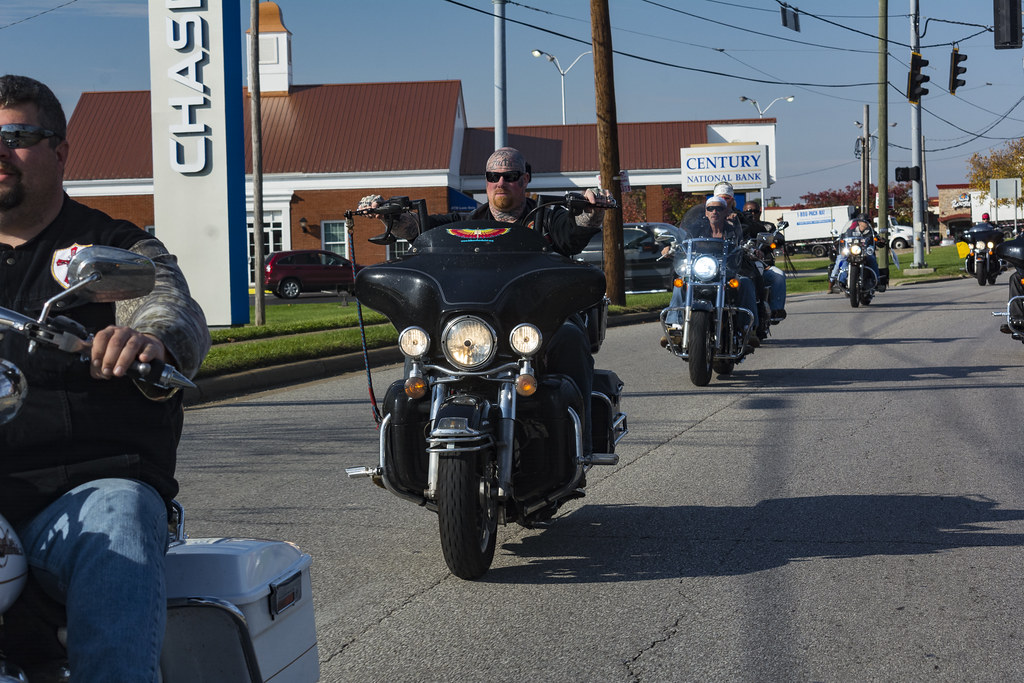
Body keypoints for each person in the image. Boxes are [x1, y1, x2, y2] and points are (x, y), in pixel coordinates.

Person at [0, 74, 210, 680]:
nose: (0, 152)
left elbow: (174, 313)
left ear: (59, 152)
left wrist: (151, 339)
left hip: (84, 496)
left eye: (16, 136)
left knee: (120, 517)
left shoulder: (116, 248)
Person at [358, 146, 612, 456]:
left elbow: (572, 232)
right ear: (486, 181)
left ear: (526, 179)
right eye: (494, 176)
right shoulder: (464, 223)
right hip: (477, 319)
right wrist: (391, 214)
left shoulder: (546, 218)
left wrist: (592, 210)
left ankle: (580, 442)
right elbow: (420, 231)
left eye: (511, 176)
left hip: (537, 319)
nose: (501, 182)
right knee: (418, 345)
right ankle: (405, 450)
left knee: (571, 337)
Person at [662, 195, 759, 345]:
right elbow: (683, 244)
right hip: (702, 272)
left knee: (745, 282)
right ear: (706, 212)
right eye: (710, 208)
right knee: (680, 283)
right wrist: (671, 248)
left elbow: (746, 242)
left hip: (727, 271)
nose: (714, 211)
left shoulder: (735, 229)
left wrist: (752, 250)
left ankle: (748, 328)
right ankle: (675, 325)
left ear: (726, 212)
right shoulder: (696, 230)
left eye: (719, 208)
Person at [828, 218, 880, 290]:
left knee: (872, 259)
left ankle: (877, 281)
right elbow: (843, 237)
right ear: (859, 222)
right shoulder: (851, 230)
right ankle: (835, 281)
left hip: (864, 253)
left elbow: (877, 239)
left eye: (867, 222)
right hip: (852, 252)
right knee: (841, 260)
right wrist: (839, 241)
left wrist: (880, 240)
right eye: (864, 221)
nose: (866, 223)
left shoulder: (871, 232)